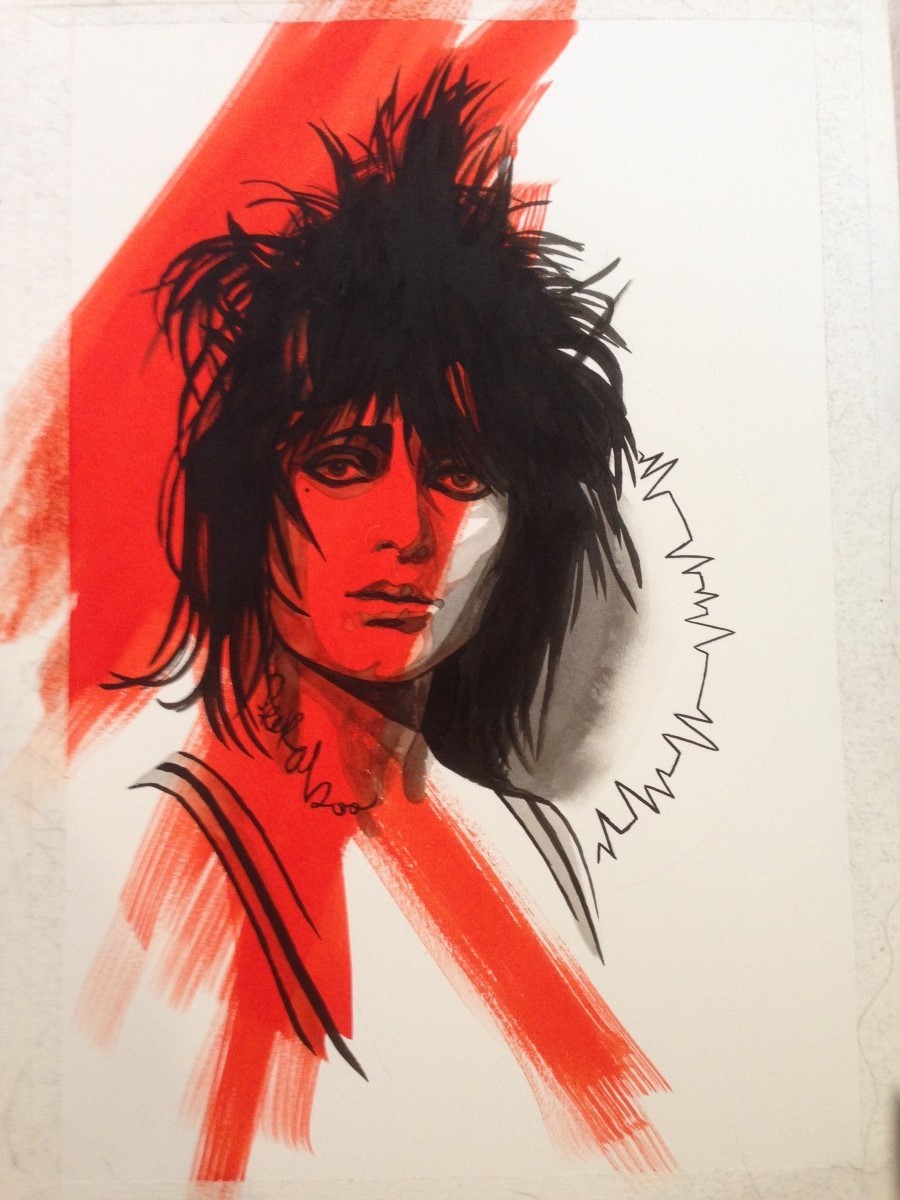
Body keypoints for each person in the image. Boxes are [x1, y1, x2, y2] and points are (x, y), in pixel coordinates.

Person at [97, 61, 654, 1180]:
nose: (413, 532)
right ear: (251, 500)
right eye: (346, 463)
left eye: (461, 475)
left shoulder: (530, 841)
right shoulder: (157, 872)